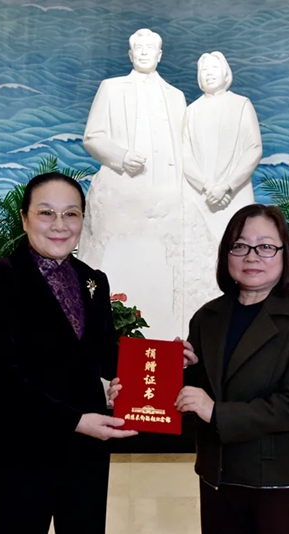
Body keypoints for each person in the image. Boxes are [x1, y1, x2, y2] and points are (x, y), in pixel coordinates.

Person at [0, 172, 138, 534]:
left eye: (71, 213)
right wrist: (74, 421)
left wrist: (160, 363)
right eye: (46, 213)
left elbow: (106, 355)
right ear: (24, 218)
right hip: (20, 454)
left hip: (87, 454)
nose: (60, 225)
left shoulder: (93, 281)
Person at [176, 204, 289, 534]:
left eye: (265, 246)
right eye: (240, 245)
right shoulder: (208, 317)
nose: (251, 256)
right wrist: (175, 374)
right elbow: (200, 393)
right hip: (218, 474)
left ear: (284, 254)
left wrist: (216, 412)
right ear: (226, 254)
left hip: (279, 481)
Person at [78, 27, 187, 341]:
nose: (144, 53)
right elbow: (93, 137)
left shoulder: (176, 97)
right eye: (138, 48)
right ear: (129, 54)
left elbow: (185, 149)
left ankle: (165, 345)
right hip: (121, 199)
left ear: (160, 55)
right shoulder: (112, 89)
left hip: (165, 202)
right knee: (117, 270)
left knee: (163, 278)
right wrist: (122, 157)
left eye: (150, 48)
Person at [182, 51, 263, 325]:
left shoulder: (241, 105)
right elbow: (184, 156)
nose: (208, 73)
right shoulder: (191, 112)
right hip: (200, 197)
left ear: (226, 73)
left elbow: (253, 149)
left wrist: (227, 186)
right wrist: (207, 186)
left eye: (214, 68)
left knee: (239, 249)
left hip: (235, 196)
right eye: (204, 69)